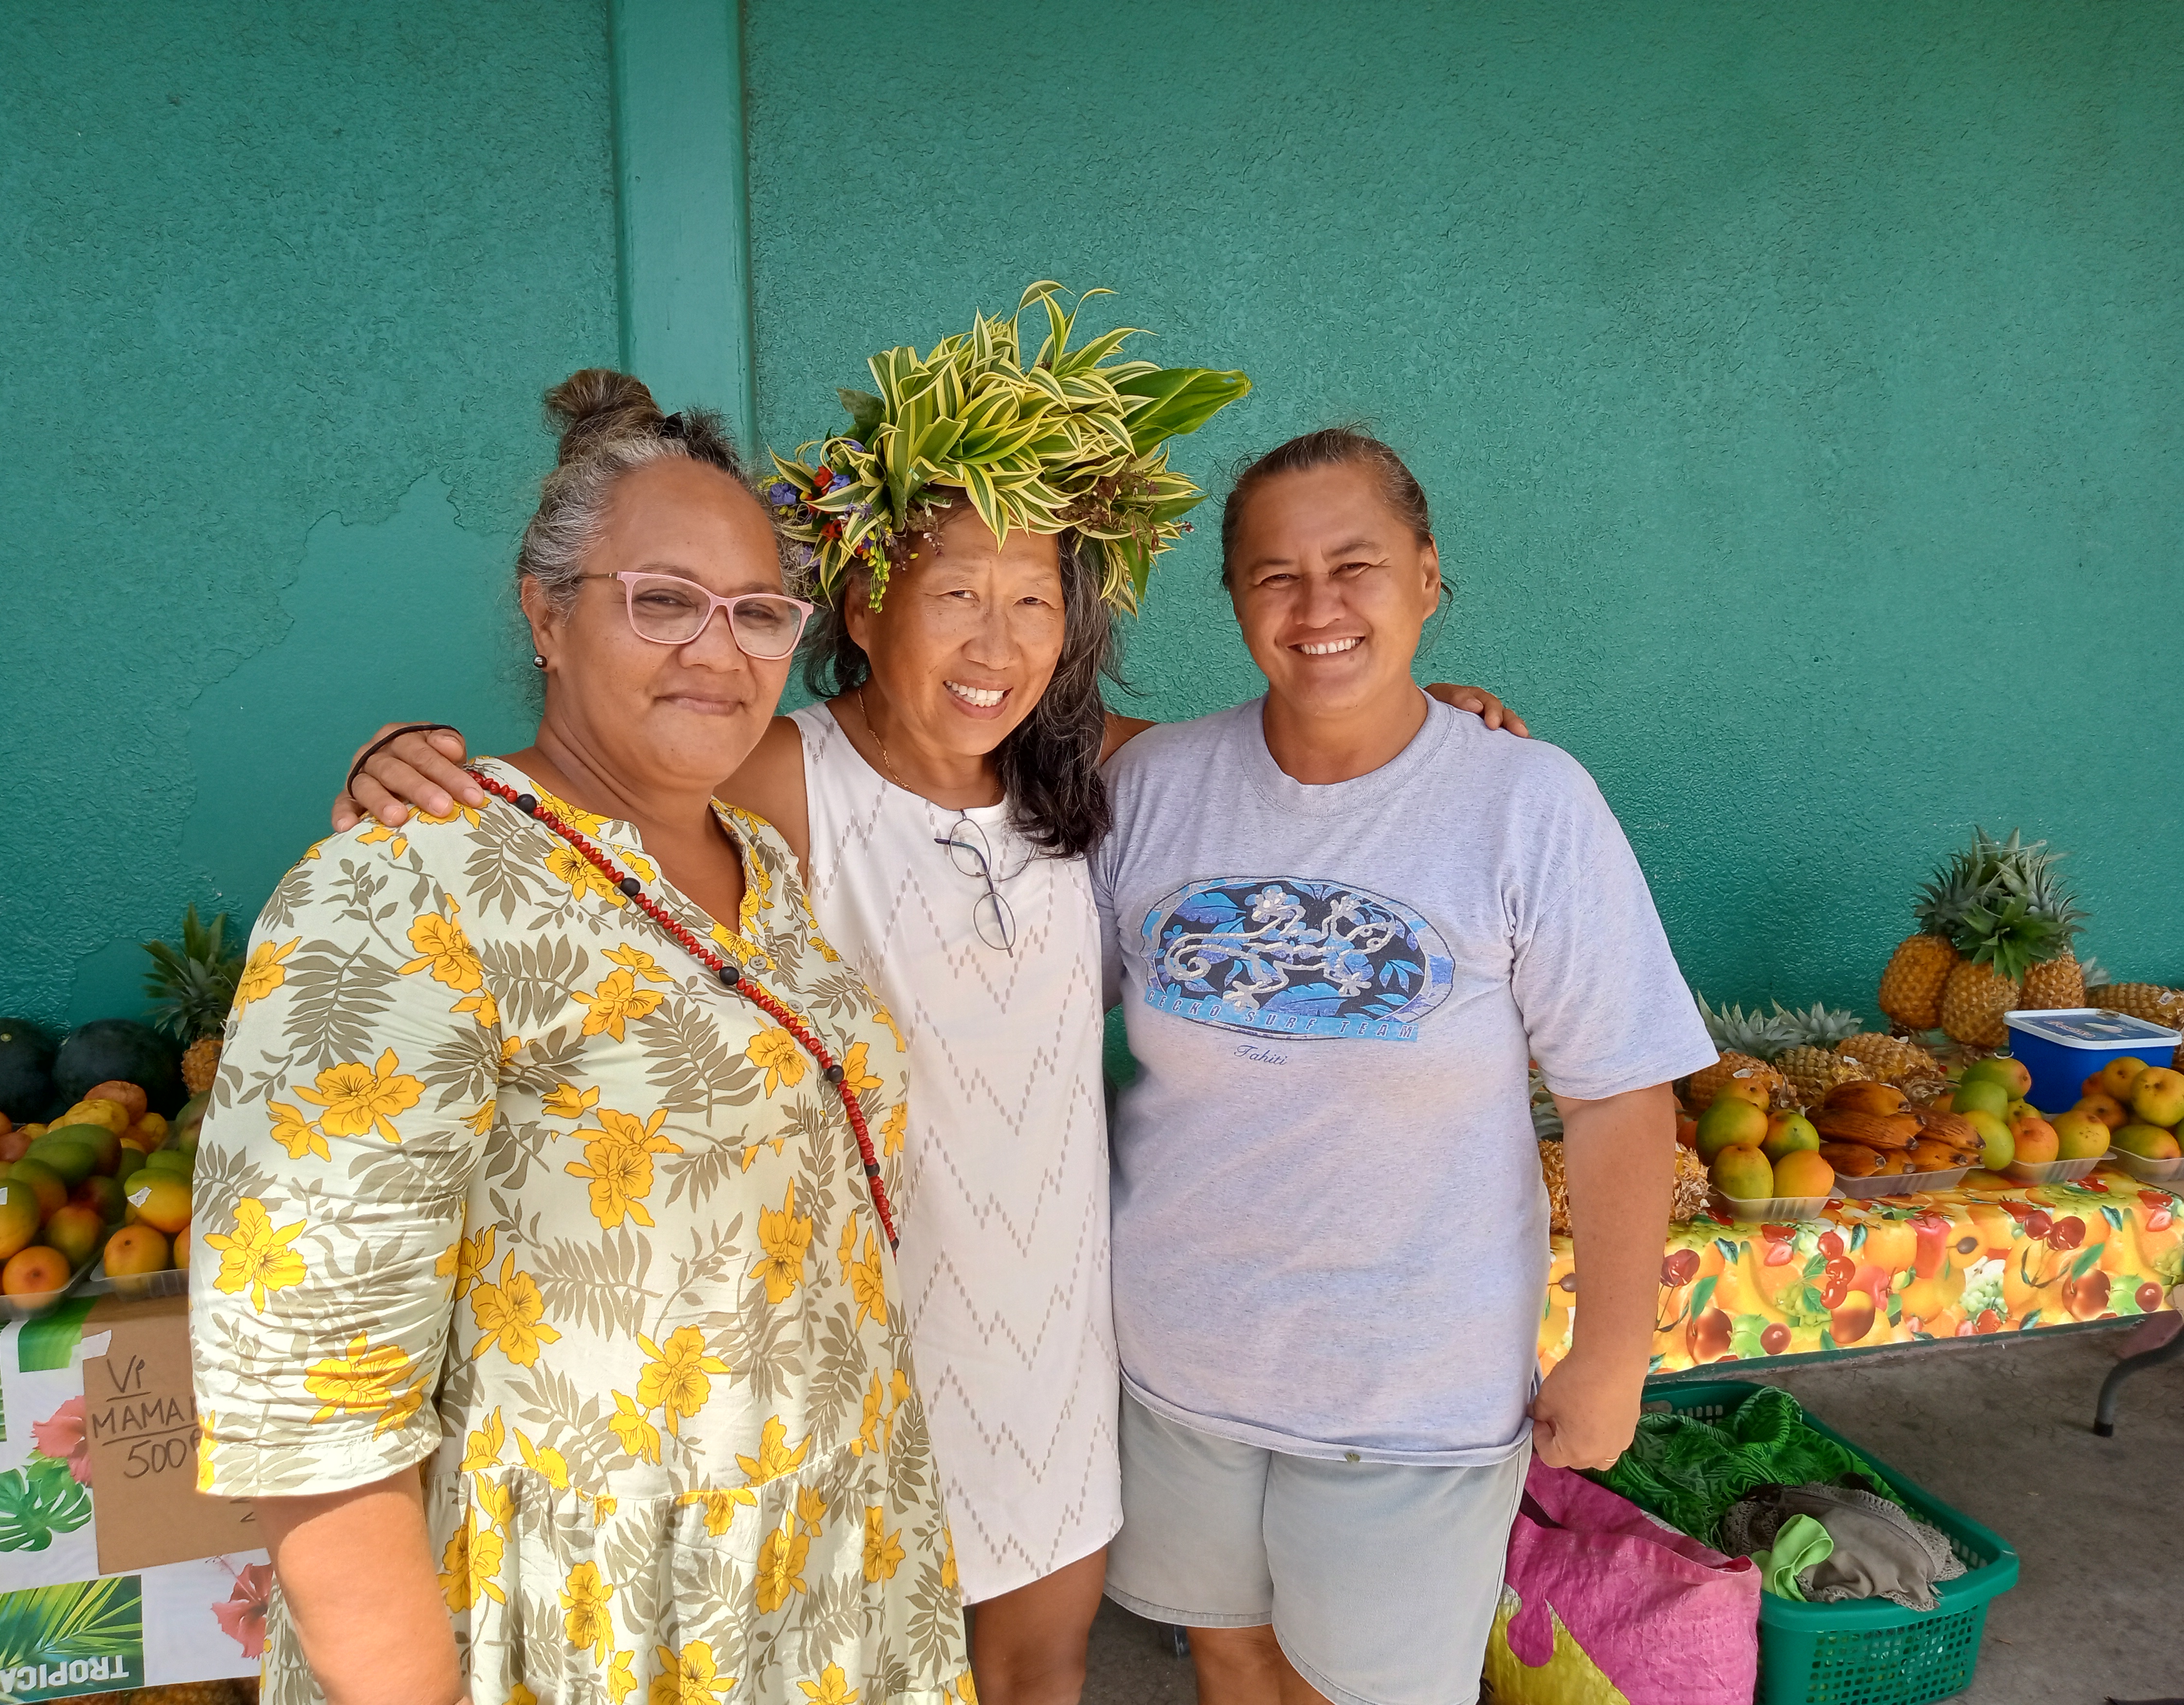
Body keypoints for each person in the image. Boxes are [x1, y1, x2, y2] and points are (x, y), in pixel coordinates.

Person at [324, 288, 1526, 1705]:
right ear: (863, 604)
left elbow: (1278, 767)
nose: (994, 646)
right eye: (955, 596)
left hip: (1053, 1322)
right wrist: (417, 773)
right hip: (855, 1335)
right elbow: (600, 782)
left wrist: (1419, 723)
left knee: (1041, 1666)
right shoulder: (786, 772)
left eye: (1033, 604)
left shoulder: (1098, 776)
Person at [187, 376, 971, 1705]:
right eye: (662, 601)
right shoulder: (405, 885)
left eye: (758, 613)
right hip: (586, 1609)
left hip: (827, 1565)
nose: (719, 651)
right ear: (546, 615)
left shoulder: (764, 867)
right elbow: (311, 1396)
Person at [1091, 427, 1715, 1705]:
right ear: (1234, 599)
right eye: (1275, 575)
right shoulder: (1155, 785)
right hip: (1175, 1358)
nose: (1317, 607)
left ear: (1428, 577)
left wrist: (1614, 1353)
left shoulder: (1526, 804)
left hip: (1413, 1391)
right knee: (1231, 1648)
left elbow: (1618, 1096)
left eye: (1356, 566)